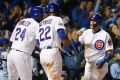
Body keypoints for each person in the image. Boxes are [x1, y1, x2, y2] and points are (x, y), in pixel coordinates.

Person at [36, 3, 72, 80]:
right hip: (52, 53)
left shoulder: (41, 23)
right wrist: (70, 47)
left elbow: (37, 42)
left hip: (43, 54)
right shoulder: (57, 19)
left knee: (51, 78)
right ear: (58, 12)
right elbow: (62, 35)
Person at [7, 6, 43, 80]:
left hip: (11, 54)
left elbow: (11, 41)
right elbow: (39, 42)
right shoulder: (37, 25)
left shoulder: (21, 22)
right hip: (22, 55)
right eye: (42, 15)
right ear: (39, 15)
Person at [78, 13, 113, 80]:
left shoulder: (105, 35)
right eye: (91, 20)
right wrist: (78, 33)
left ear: (99, 22)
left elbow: (110, 51)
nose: (92, 22)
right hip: (89, 64)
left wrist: (104, 60)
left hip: (99, 64)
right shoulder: (86, 32)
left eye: (94, 21)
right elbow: (79, 42)